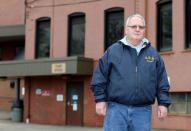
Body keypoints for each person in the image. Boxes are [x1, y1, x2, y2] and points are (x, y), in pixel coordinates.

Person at [90, 14, 171, 131]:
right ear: (126, 29)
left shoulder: (153, 54)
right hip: (116, 110)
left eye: (141, 27)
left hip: (142, 112)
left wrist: (163, 103)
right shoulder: (113, 51)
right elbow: (100, 76)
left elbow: (162, 81)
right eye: (134, 26)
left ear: (144, 30)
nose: (137, 29)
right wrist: (100, 100)